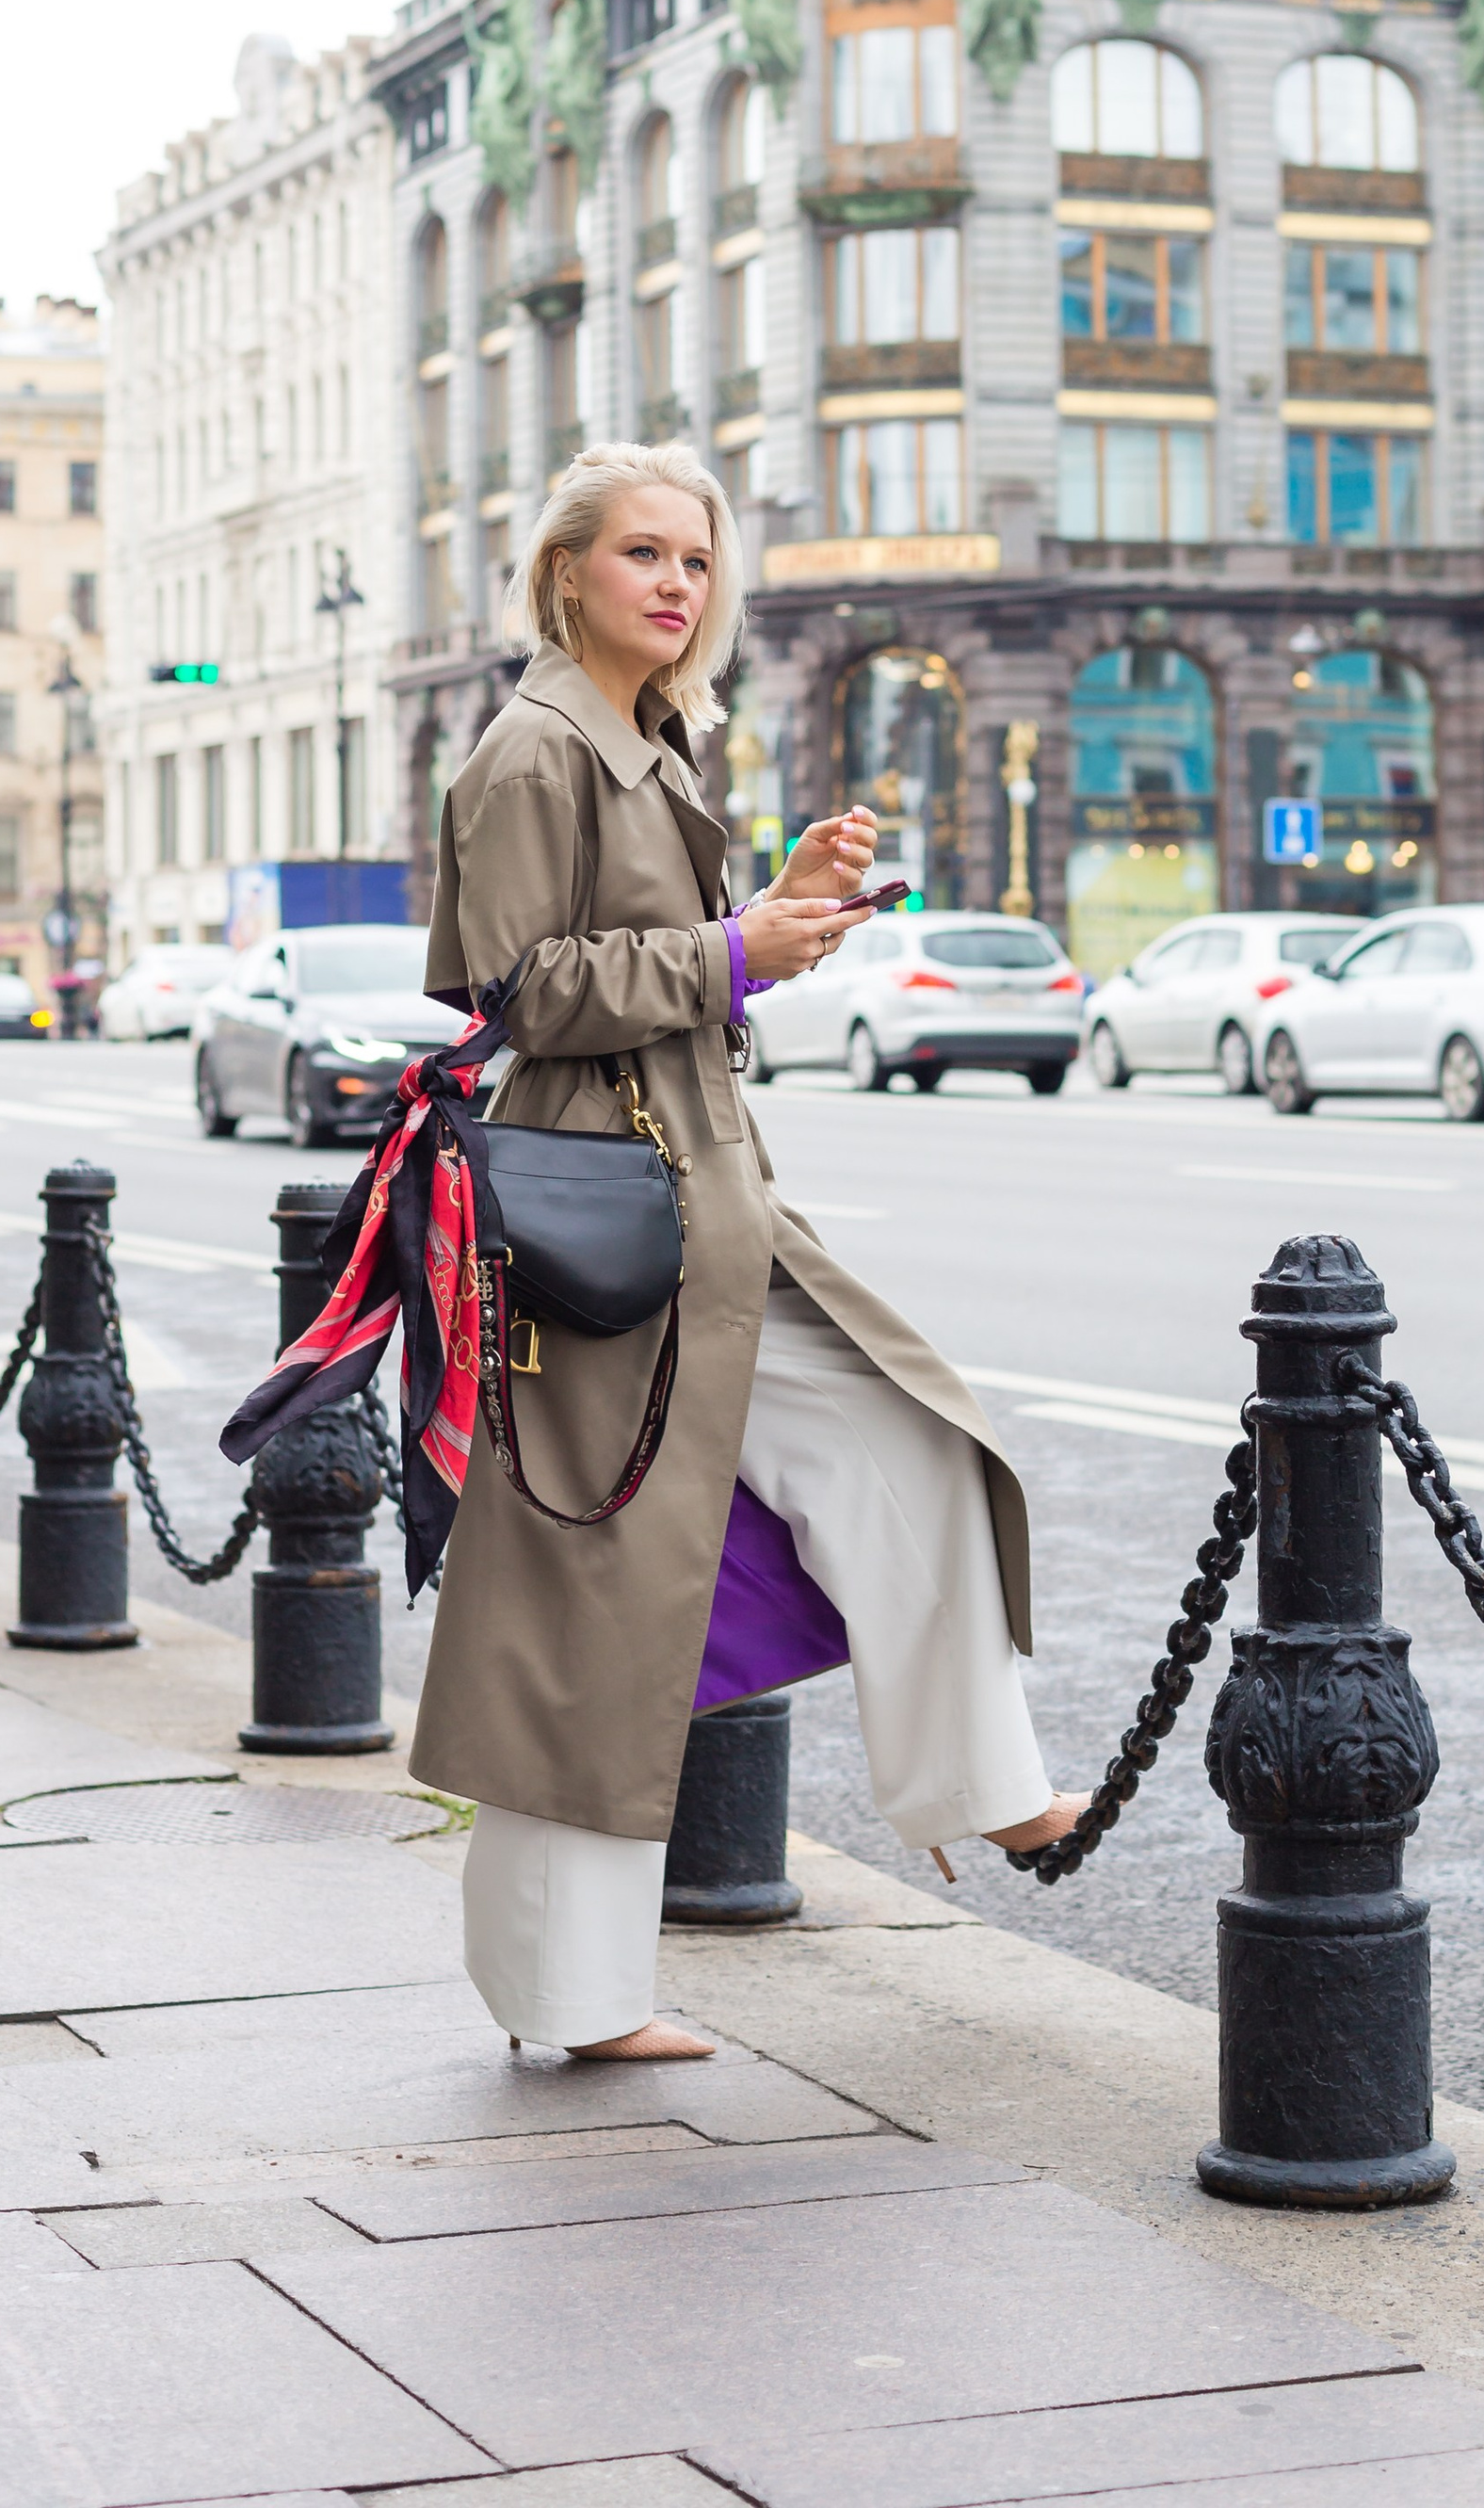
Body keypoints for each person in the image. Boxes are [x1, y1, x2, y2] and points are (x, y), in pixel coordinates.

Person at [411, 439, 1083, 2063]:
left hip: (698, 1199)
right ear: (567, 569)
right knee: (589, 1599)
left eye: (697, 563)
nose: (673, 583)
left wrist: (772, 919)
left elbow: (655, 967)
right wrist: (729, 950)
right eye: (641, 553)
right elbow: (511, 989)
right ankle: (571, 2002)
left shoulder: (648, 739)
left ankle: (981, 1791)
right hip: (602, 1219)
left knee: (905, 1437)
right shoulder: (534, 747)